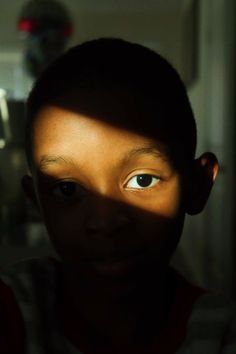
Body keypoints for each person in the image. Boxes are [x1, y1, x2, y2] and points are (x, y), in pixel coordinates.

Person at [0, 38, 235, 354]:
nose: (105, 221)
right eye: (67, 189)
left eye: (142, 180)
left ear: (197, 186)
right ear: (37, 201)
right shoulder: (16, 308)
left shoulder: (222, 332)